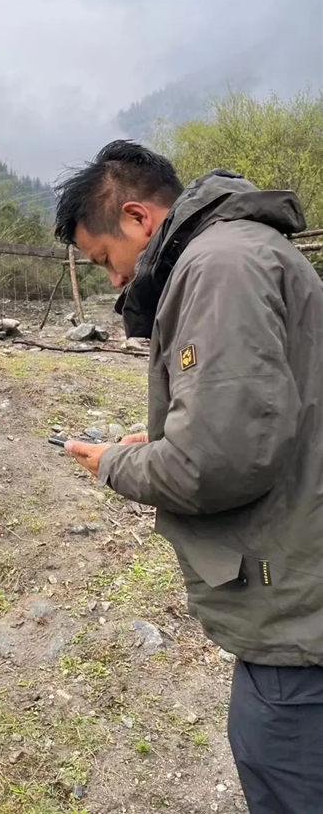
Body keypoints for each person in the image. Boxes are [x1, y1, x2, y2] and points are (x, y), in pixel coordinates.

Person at [54, 140, 323, 814]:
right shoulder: (243, 252)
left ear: (140, 219)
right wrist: (176, 428)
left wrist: (112, 462)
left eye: (103, 259)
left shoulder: (219, 267)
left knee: (282, 769)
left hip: (297, 616)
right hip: (302, 580)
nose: (113, 281)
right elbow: (266, 411)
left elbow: (215, 463)